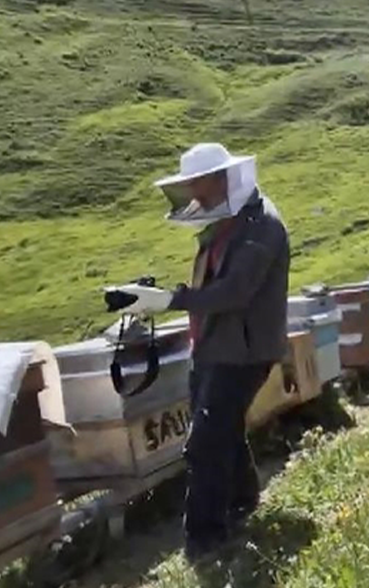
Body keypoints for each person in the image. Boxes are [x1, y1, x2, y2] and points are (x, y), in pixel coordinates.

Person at [107, 142, 294, 564]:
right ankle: (243, 501)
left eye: (198, 184)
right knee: (223, 430)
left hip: (244, 352)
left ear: (222, 179)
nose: (193, 194)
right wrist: (158, 298)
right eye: (189, 185)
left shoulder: (261, 225)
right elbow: (211, 284)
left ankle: (205, 540)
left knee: (205, 444)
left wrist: (170, 301)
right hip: (212, 347)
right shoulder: (230, 221)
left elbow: (234, 292)